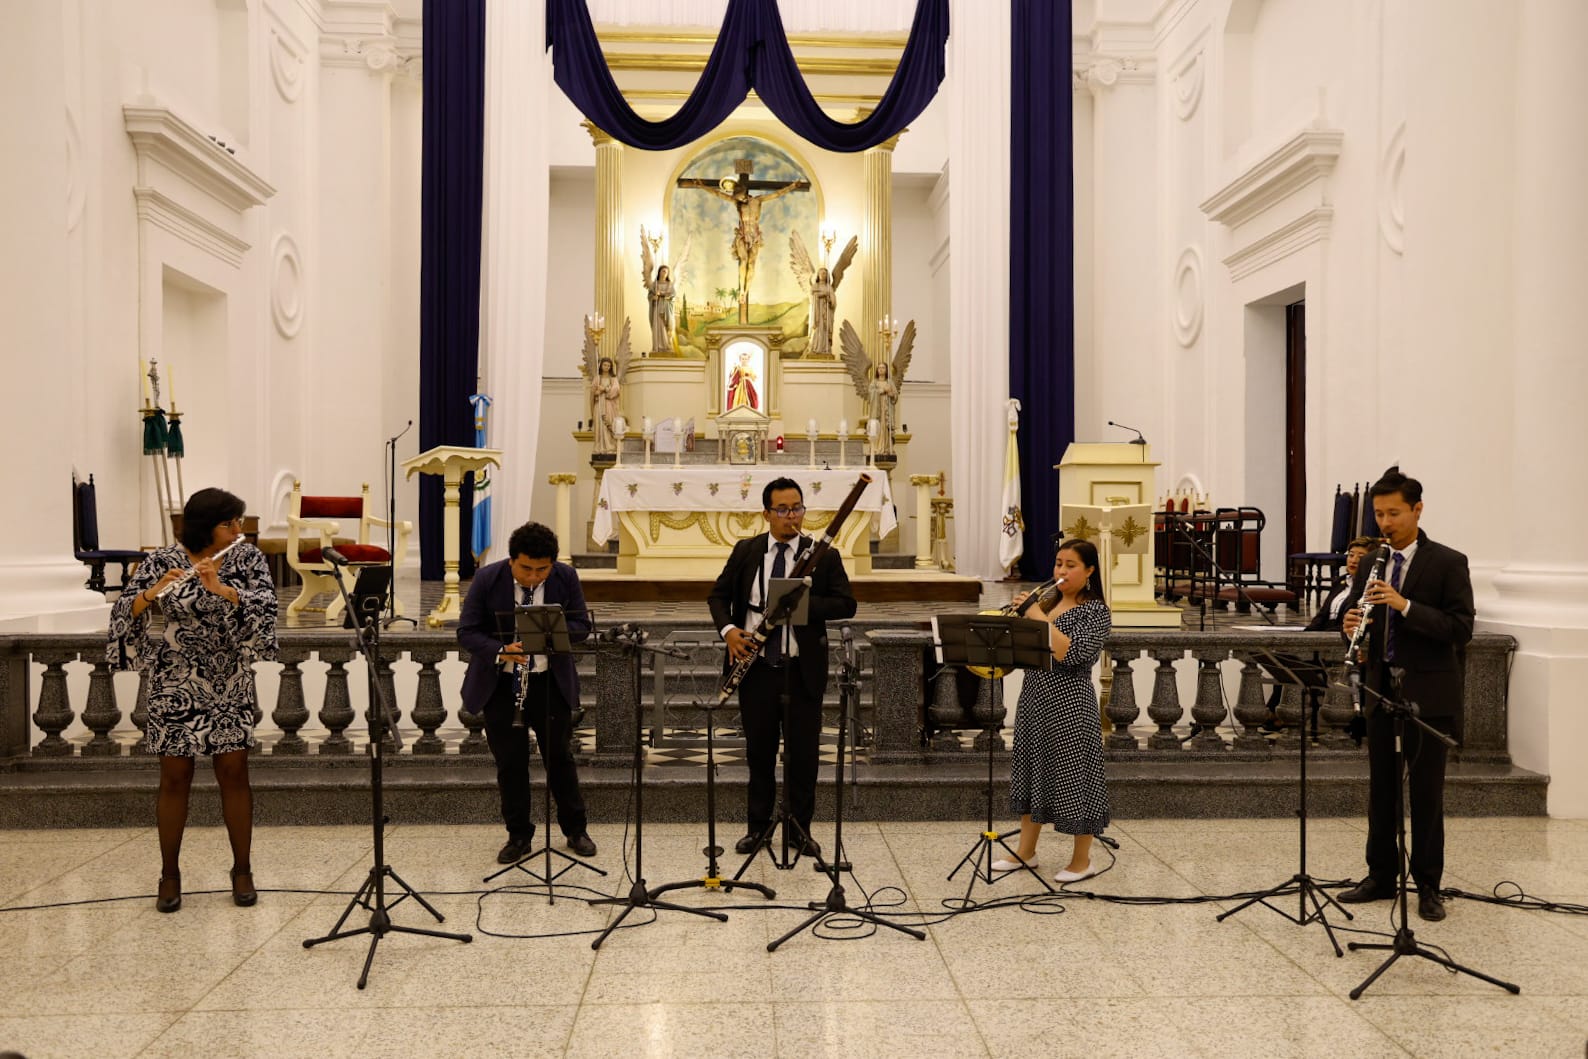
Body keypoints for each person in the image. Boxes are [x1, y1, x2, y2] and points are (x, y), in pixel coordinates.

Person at [107, 488, 278, 912]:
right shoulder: (162, 560)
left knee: (234, 773)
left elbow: (267, 608)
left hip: (228, 675)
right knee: (175, 777)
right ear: (205, 526)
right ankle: (169, 875)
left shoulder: (247, 558)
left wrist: (222, 589)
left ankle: (242, 870)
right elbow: (123, 611)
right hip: (175, 677)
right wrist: (153, 593)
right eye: (229, 523)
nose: (238, 530)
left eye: (238, 522)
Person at [1337, 467, 1473, 922]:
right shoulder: (1372, 563)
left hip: (1429, 695)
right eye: (1379, 514)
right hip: (1381, 691)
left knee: (1427, 795)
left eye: (1394, 513)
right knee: (1382, 791)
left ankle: (1428, 885)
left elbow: (1461, 629)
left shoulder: (1449, 562)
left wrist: (1404, 605)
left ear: (1417, 510)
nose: (1385, 523)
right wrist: (1350, 630)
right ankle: (1380, 875)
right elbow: (1359, 620)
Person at [708, 478, 856, 856]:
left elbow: (846, 604)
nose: (792, 516)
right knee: (759, 753)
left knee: (803, 756)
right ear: (766, 513)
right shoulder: (746, 551)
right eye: (783, 510)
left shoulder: (822, 556)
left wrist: (799, 605)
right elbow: (718, 597)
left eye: (797, 508)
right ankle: (758, 829)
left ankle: (798, 830)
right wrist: (729, 632)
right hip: (756, 668)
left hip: (801, 669)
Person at [458, 521, 598, 864]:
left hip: (549, 681)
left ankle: (576, 830)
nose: (533, 577)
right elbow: (467, 631)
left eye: (542, 570)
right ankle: (518, 835)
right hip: (501, 685)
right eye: (526, 569)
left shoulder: (565, 577)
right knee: (510, 763)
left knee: (560, 758)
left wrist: (551, 634)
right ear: (511, 560)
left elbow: (581, 626)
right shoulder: (487, 578)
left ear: (552, 564)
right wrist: (501, 649)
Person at [993, 538, 1112, 883]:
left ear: (1089, 571)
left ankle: (1082, 861)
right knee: (1032, 770)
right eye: (1058, 563)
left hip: (1071, 702)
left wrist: (1034, 615)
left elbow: (1071, 654)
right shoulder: (1048, 602)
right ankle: (1025, 852)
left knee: (1076, 776)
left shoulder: (1095, 611)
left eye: (1071, 565)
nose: (1061, 570)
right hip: (1035, 697)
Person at [1259, 535, 1379, 732]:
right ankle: (1276, 709)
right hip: (1323, 635)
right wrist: (1305, 637)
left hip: (1339, 642)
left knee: (1295, 659)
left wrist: (1318, 638)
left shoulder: (1369, 589)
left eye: (1360, 556)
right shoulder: (1341, 582)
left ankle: (1277, 713)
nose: (1353, 560)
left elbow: (1351, 624)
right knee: (1284, 655)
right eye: (1351, 555)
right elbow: (1322, 616)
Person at [589, 357, 622, 455]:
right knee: (599, 426)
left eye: (608, 365)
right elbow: (592, 394)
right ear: (601, 366)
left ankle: (609, 447)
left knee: (608, 424)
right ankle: (599, 447)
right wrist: (596, 393)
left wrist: (605, 389)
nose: (606, 367)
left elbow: (616, 390)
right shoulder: (597, 378)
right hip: (599, 405)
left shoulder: (613, 379)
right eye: (604, 365)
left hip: (609, 405)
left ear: (611, 367)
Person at [645, 265, 675, 353]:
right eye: (663, 271)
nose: (665, 273)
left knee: (665, 326)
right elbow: (650, 296)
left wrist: (662, 294)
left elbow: (672, 296)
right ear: (659, 272)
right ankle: (657, 346)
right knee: (657, 326)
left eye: (666, 272)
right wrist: (653, 298)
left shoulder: (670, 285)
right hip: (657, 308)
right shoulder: (655, 284)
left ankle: (666, 346)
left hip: (666, 309)